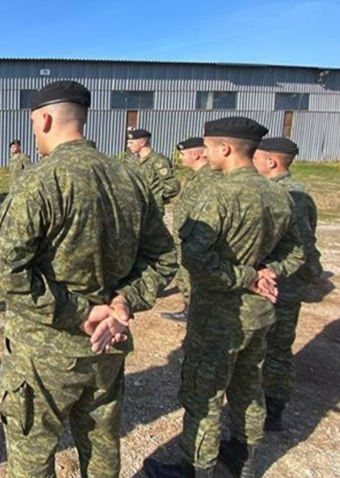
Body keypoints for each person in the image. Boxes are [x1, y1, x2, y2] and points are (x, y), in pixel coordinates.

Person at [0, 80, 177, 478]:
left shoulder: (39, 182)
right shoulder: (131, 180)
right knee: (102, 448)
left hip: (44, 356)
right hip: (107, 346)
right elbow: (162, 257)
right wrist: (123, 303)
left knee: (32, 455)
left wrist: (82, 312)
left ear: (43, 119)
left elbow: (9, 272)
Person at [143, 118, 305, 478]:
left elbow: (196, 260)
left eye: (210, 146)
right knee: (248, 387)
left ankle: (195, 469)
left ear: (226, 149)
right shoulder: (277, 193)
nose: (206, 153)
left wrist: (248, 276)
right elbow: (296, 252)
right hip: (260, 314)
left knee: (206, 394)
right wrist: (268, 272)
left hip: (220, 317)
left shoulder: (218, 194)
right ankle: (243, 461)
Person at [253, 137, 325, 431]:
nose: (252, 161)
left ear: (272, 162)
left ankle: (272, 408)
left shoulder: (291, 195)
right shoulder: (281, 190)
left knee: (276, 350)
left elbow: (303, 245)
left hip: (283, 285)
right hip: (280, 283)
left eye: (257, 156)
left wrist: (310, 275)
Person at [161, 137, 216, 321]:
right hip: (184, 236)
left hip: (195, 238)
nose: (180, 158)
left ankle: (195, 312)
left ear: (196, 154)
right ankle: (189, 308)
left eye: (183, 154)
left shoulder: (210, 178)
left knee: (193, 276)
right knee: (184, 274)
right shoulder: (194, 176)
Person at [126, 128, 181, 210]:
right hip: (134, 206)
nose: (128, 146)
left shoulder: (158, 160)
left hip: (152, 210)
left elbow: (172, 186)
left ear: (142, 143)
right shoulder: (131, 161)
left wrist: (157, 198)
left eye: (131, 143)